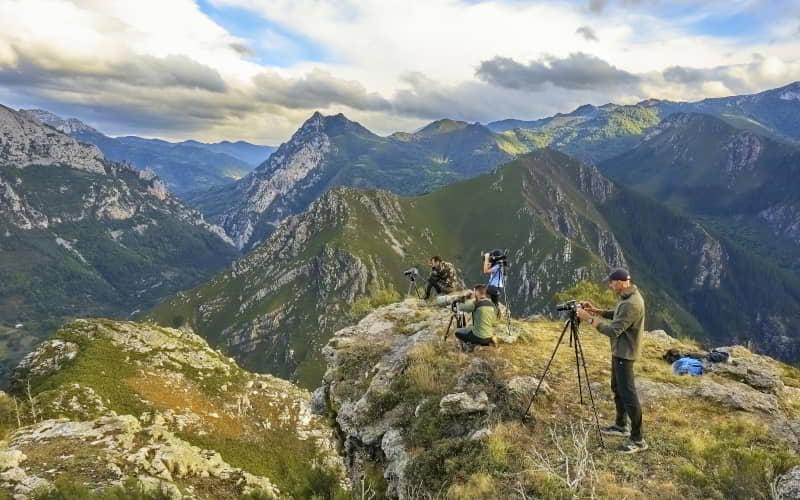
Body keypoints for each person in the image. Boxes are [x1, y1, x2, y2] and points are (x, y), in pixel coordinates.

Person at [576, 268, 648, 454]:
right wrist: (596, 311)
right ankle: (620, 425)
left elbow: (613, 330)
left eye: (612, 282)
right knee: (617, 388)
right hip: (619, 352)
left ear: (622, 282)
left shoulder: (631, 303)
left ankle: (638, 439)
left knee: (628, 394)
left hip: (625, 354)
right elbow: (617, 314)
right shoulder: (626, 297)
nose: (610, 285)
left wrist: (589, 319)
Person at [454, 285, 498, 349]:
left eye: (474, 292)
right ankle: (489, 340)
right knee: (470, 327)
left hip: (478, 337)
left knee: (457, 332)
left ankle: (465, 349)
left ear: (476, 293)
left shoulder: (476, 304)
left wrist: (465, 297)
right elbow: (494, 323)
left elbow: (459, 306)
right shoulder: (492, 305)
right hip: (489, 337)